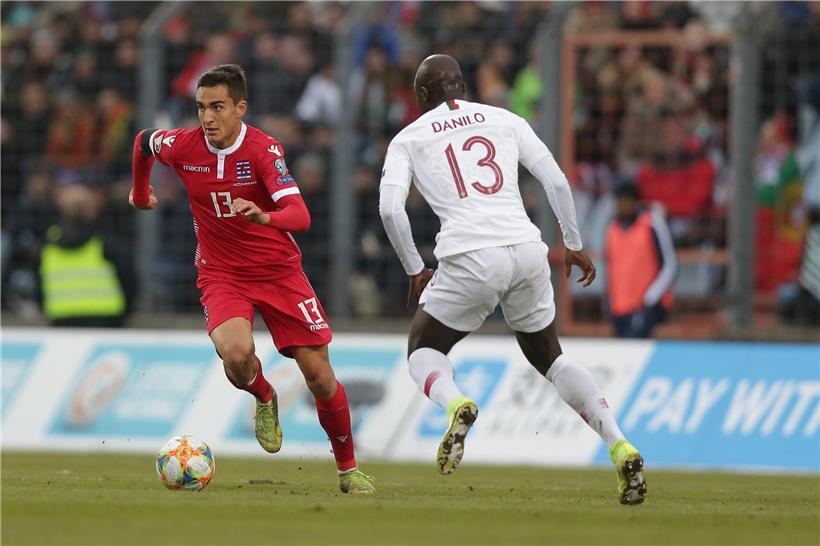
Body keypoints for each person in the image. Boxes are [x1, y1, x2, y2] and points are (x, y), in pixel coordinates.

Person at [379, 54, 646, 505]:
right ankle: (619, 443)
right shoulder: (505, 118)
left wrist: (414, 268)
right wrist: (575, 242)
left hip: (469, 254)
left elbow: (390, 209)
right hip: (527, 249)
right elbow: (557, 181)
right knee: (552, 359)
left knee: (424, 349)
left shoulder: (408, 138)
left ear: (421, 97)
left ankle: (455, 403)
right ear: (462, 86)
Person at [129, 64, 374, 495]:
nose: (207, 117)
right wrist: (138, 189)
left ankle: (348, 470)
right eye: (202, 107)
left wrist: (265, 216)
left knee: (319, 376)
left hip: (279, 272)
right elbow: (144, 142)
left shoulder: (264, 151)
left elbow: (300, 215)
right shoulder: (184, 145)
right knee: (237, 354)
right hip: (221, 273)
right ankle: (264, 395)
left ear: (240, 108)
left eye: (218, 107)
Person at [604, 184, 676, 338]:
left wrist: (651, 297)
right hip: (619, 308)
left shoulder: (651, 223)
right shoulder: (612, 229)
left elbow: (669, 265)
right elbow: (611, 270)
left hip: (646, 307)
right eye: (619, 202)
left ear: (636, 202)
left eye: (626, 201)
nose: (622, 206)